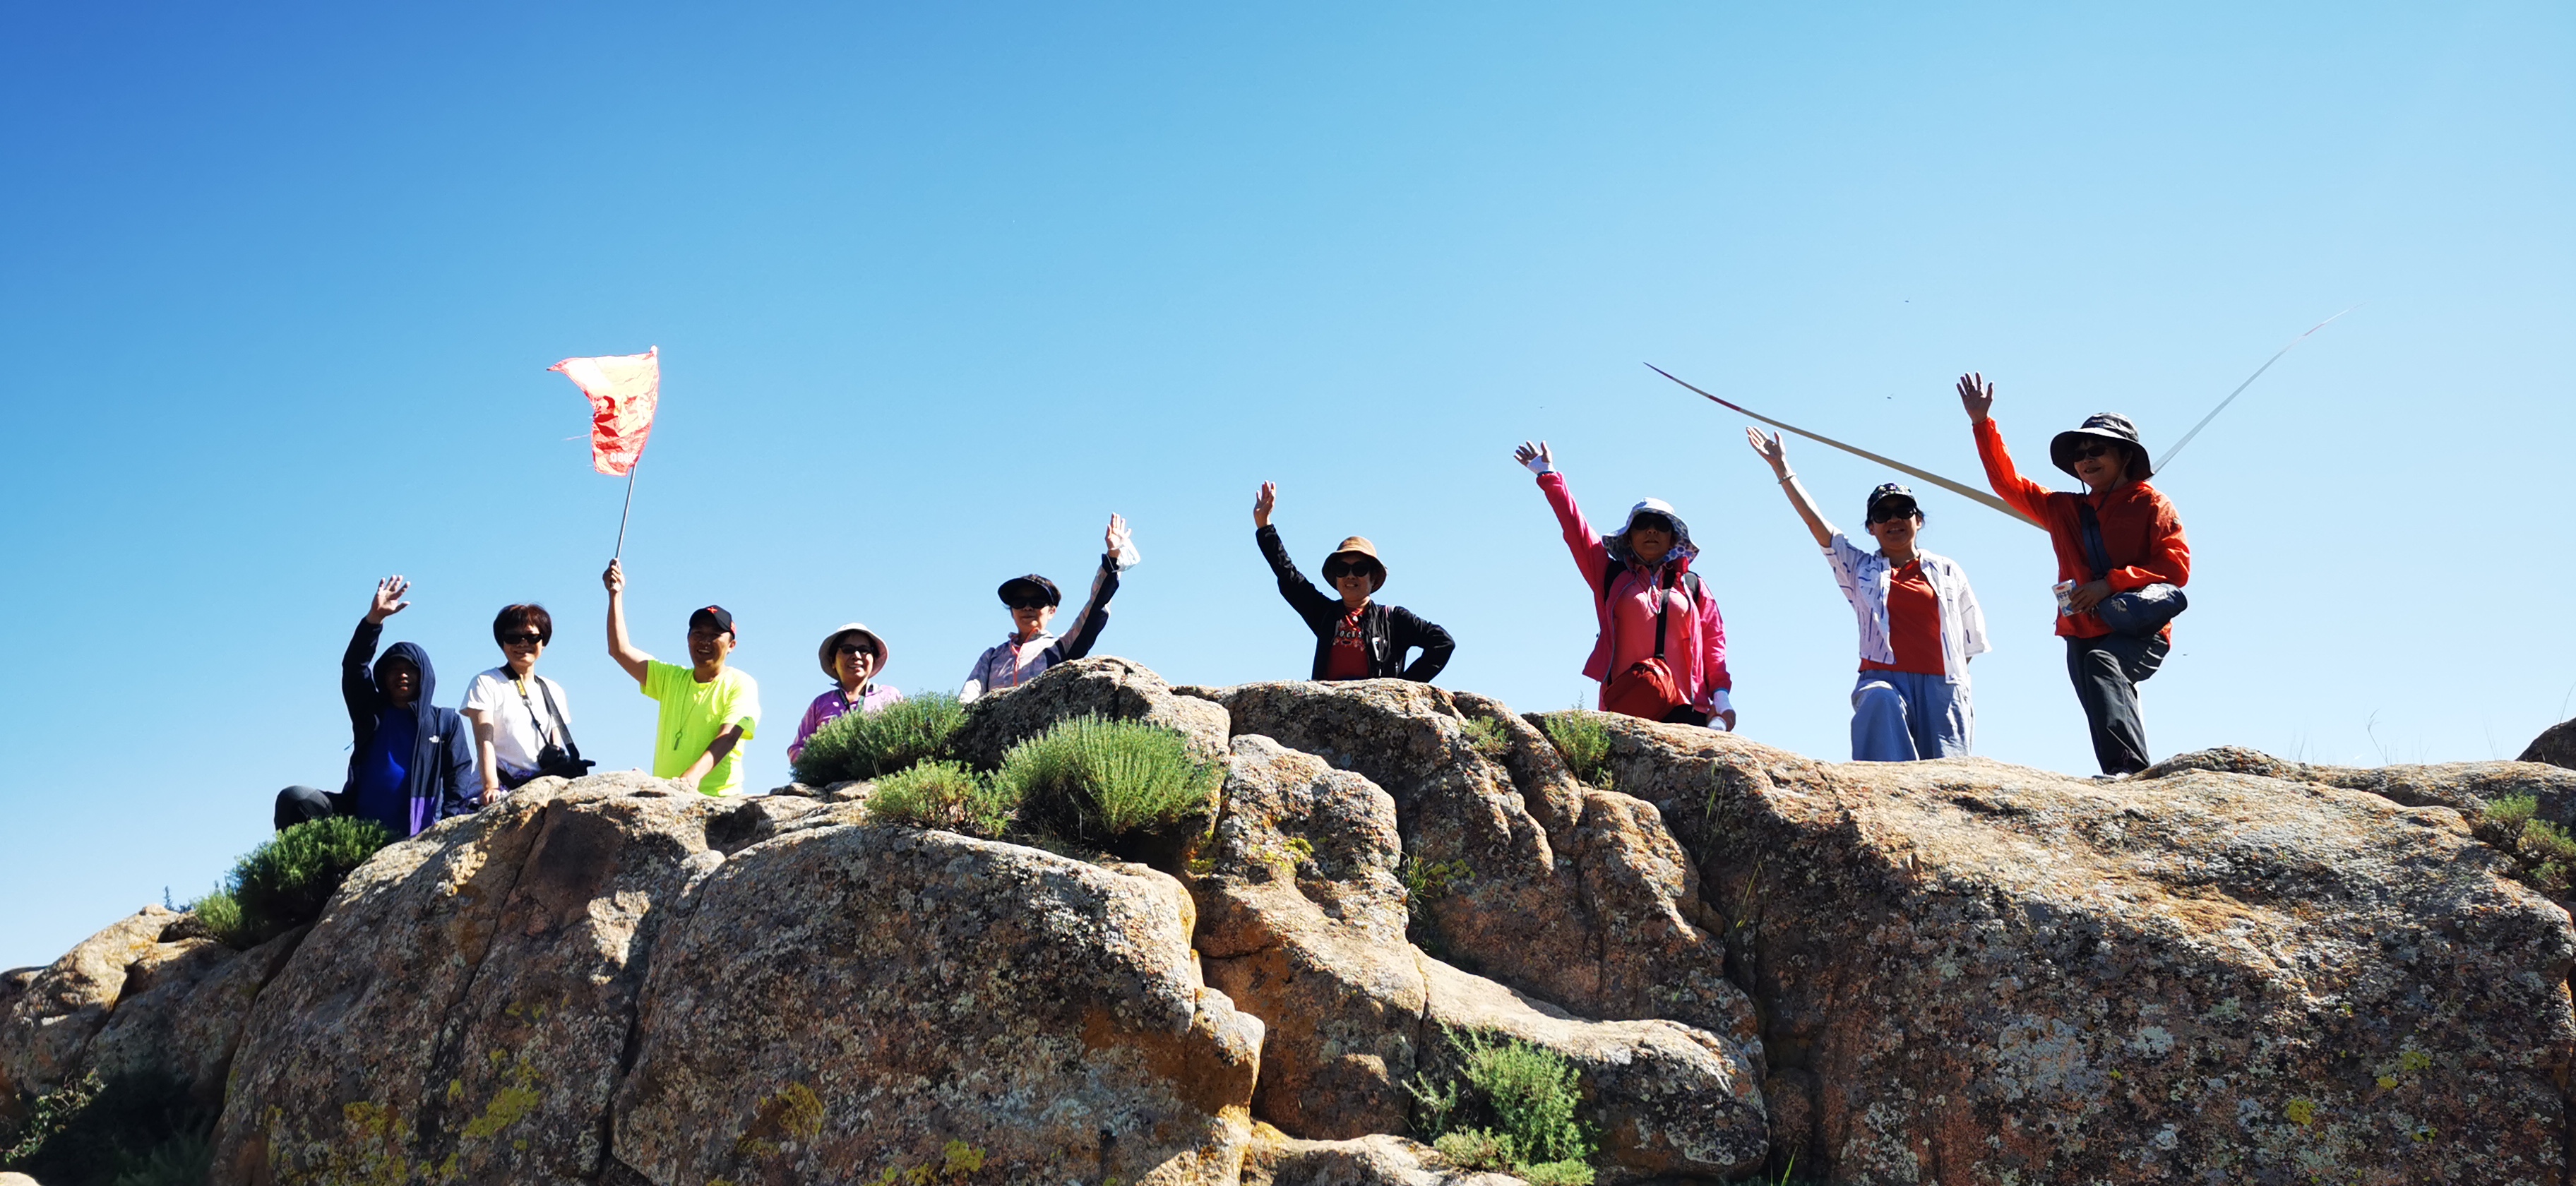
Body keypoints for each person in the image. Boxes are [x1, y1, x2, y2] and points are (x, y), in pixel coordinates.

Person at [1957, 372, 2190, 775]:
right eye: (2080, 454)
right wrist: (1982, 423)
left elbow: (2175, 568)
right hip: (2080, 627)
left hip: (2139, 626)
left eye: (2097, 449)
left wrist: (2109, 584)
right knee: (2099, 701)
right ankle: (2126, 777)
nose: (2086, 460)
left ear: (2125, 457)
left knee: (2104, 665)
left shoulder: (2152, 504)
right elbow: (2006, 484)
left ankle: (2129, 771)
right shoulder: (2063, 508)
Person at [1746, 431, 1990, 760]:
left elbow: (1970, 640)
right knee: (1879, 701)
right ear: (1871, 528)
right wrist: (1782, 469)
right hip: (1883, 680)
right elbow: (1816, 525)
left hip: (1942, 685)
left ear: (1918, 520)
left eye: (1903, 511)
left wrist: (1945, 680)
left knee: (1947, 776)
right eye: (1881, 514)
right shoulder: (1859, 568)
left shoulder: (1948, 571)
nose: (1893, 519)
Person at [1515, 441, 1734, 729]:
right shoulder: (1610, 575)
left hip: (1689, 708)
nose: (1652, 530)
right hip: (1627, 705)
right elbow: (1577, 531)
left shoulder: (1692, 586)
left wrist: (1721, 697)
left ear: (1673, 538)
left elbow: (1714, 643)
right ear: (1629, 535)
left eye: (1661, 525)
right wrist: (1549, 476)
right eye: (1643, 524)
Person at [273, 576, 478, 837]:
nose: (402, 675)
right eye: (394, 669)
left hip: (417, 829)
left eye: (410, 669)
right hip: (360, 827)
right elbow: (354, 668)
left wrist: (448, 827)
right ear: (383, 676)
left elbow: (458, 774)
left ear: (424, 676)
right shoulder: (370, 713)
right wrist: (374, 620)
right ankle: (312, 864)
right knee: (295, 799)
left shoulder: (445, 721)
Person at [1250, 481, 1455, 682]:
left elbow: (1443, 642)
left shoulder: (1394, 619)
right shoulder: (1324, 614)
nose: (1350, 576)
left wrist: (1404, 687)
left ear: (1373, 577)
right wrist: (1264, 525)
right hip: (1328, 704)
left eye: (1359, 569)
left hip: (1377, 704)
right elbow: (1288, 576)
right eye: (1342, 569)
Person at [604, 559, 763, 796]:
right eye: (698, 633)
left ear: (732, 645)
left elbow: (728, 737)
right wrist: (615, 595)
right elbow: (619, 650)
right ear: (688, 639)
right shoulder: (671, 679)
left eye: (715, 635)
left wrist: (691, 778)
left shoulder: (741, 684)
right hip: (669, 798)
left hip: (719, 802)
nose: (705, 641)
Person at [960, 513, 1138, 702]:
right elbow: (966, 700)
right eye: (1019, 602)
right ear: (1011, 610)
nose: (1027, 608)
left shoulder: (1061, 647)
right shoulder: (992, 658)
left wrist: (1113, 556)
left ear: (1052, 611)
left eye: (1037, 602)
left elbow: (1095, 610)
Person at [458, 604, 587, 804]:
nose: (522, 643)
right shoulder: (486, 682)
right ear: (502, 641)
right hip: (500, 786)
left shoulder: (553, 690)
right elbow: (484, 741)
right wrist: (490, 787)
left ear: (544, 641)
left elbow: (555, 746)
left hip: (540, 786)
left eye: (532, 637)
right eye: (512, 637)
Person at [788, 623, 902, 765]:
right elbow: (797, 749)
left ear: (873, 658)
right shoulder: (820, 704)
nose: (857, 656)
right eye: (848, 650)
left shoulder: (890, 696)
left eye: (864, 650)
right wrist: (822, 761)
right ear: (833, 661)